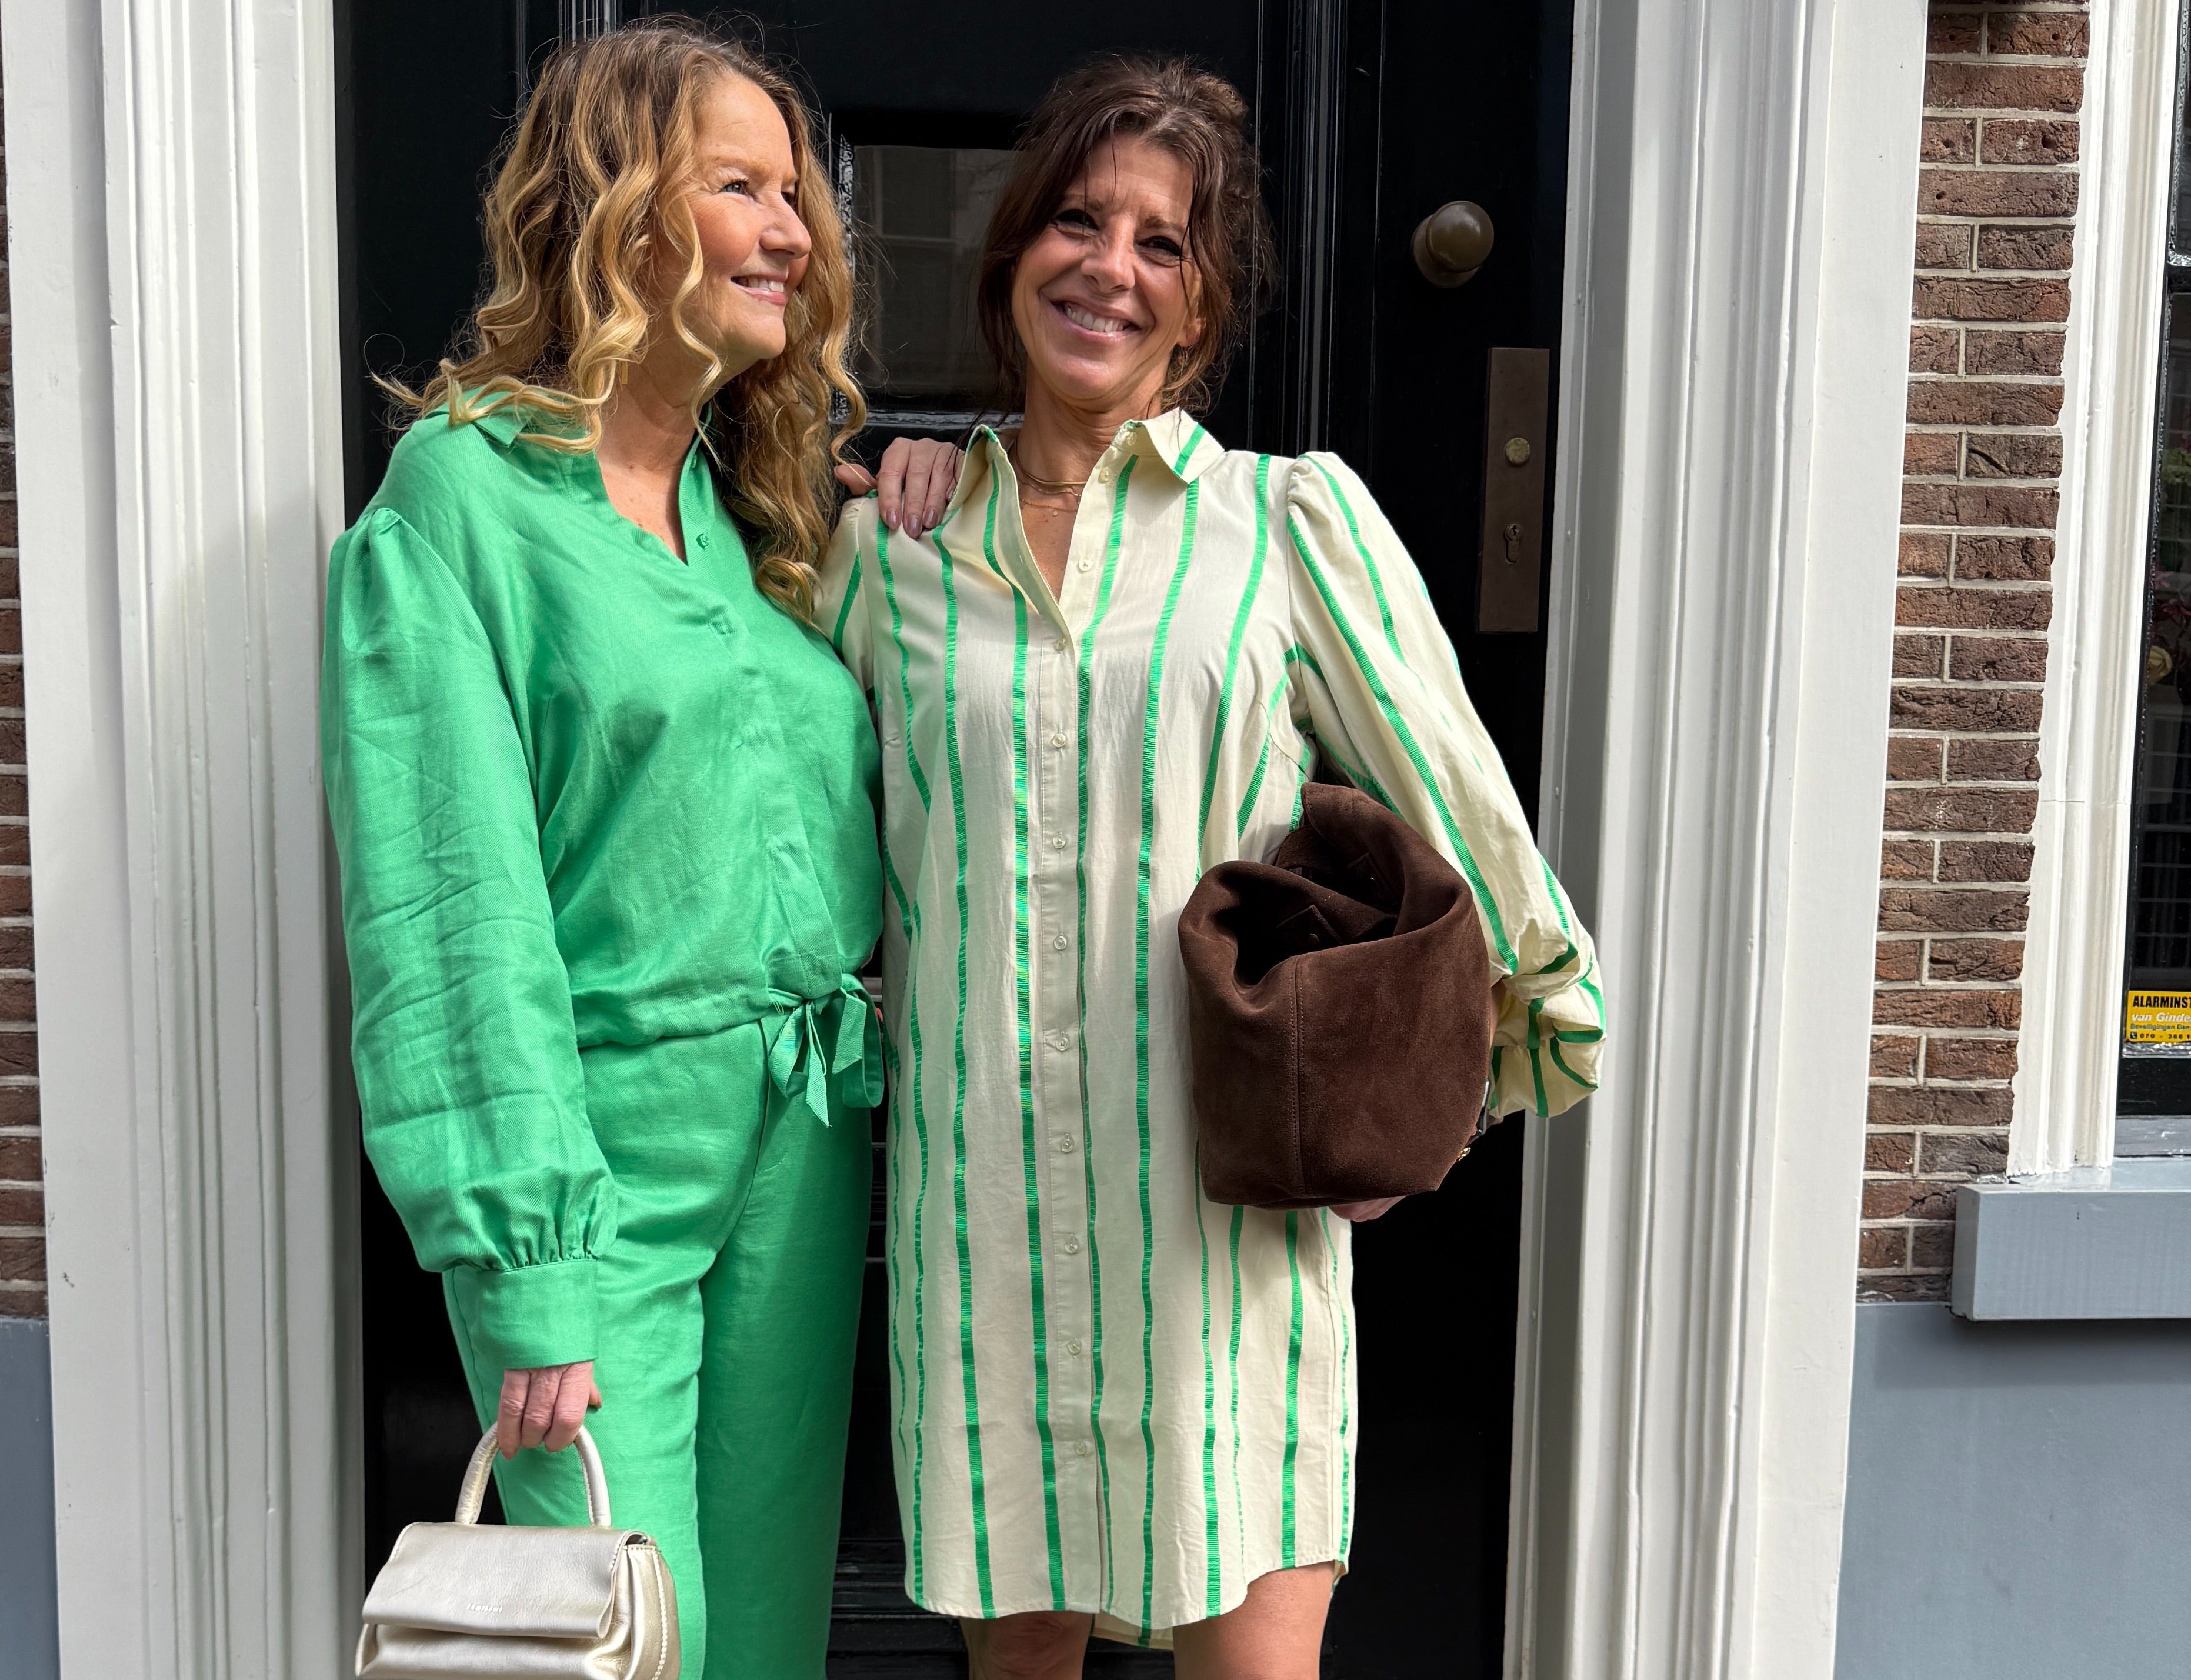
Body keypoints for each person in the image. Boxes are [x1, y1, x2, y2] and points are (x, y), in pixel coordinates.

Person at [818, 57, 1606, 1678]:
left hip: (1220, 1236)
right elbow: (812, 866)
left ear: (1197, 308)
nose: (1109, 266)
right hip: (987, 1227)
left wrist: (1448, 1095)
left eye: (1161, 243)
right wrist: (897, 457)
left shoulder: (1283, 525)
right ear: (1012, 256)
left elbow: (1470, 829)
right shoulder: (886, 556)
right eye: (1076, 221)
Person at [321, 22, 955, 1679]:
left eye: (796, 194)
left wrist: (932, 499)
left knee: (758, 1634)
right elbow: (447, 913)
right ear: (616, 210)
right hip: (597, 1168)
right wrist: (525, 1260)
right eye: (740, 187)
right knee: (622, 1639)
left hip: (802, 1138)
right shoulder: (460, 502)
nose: (793, 229)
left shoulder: (761, 512)